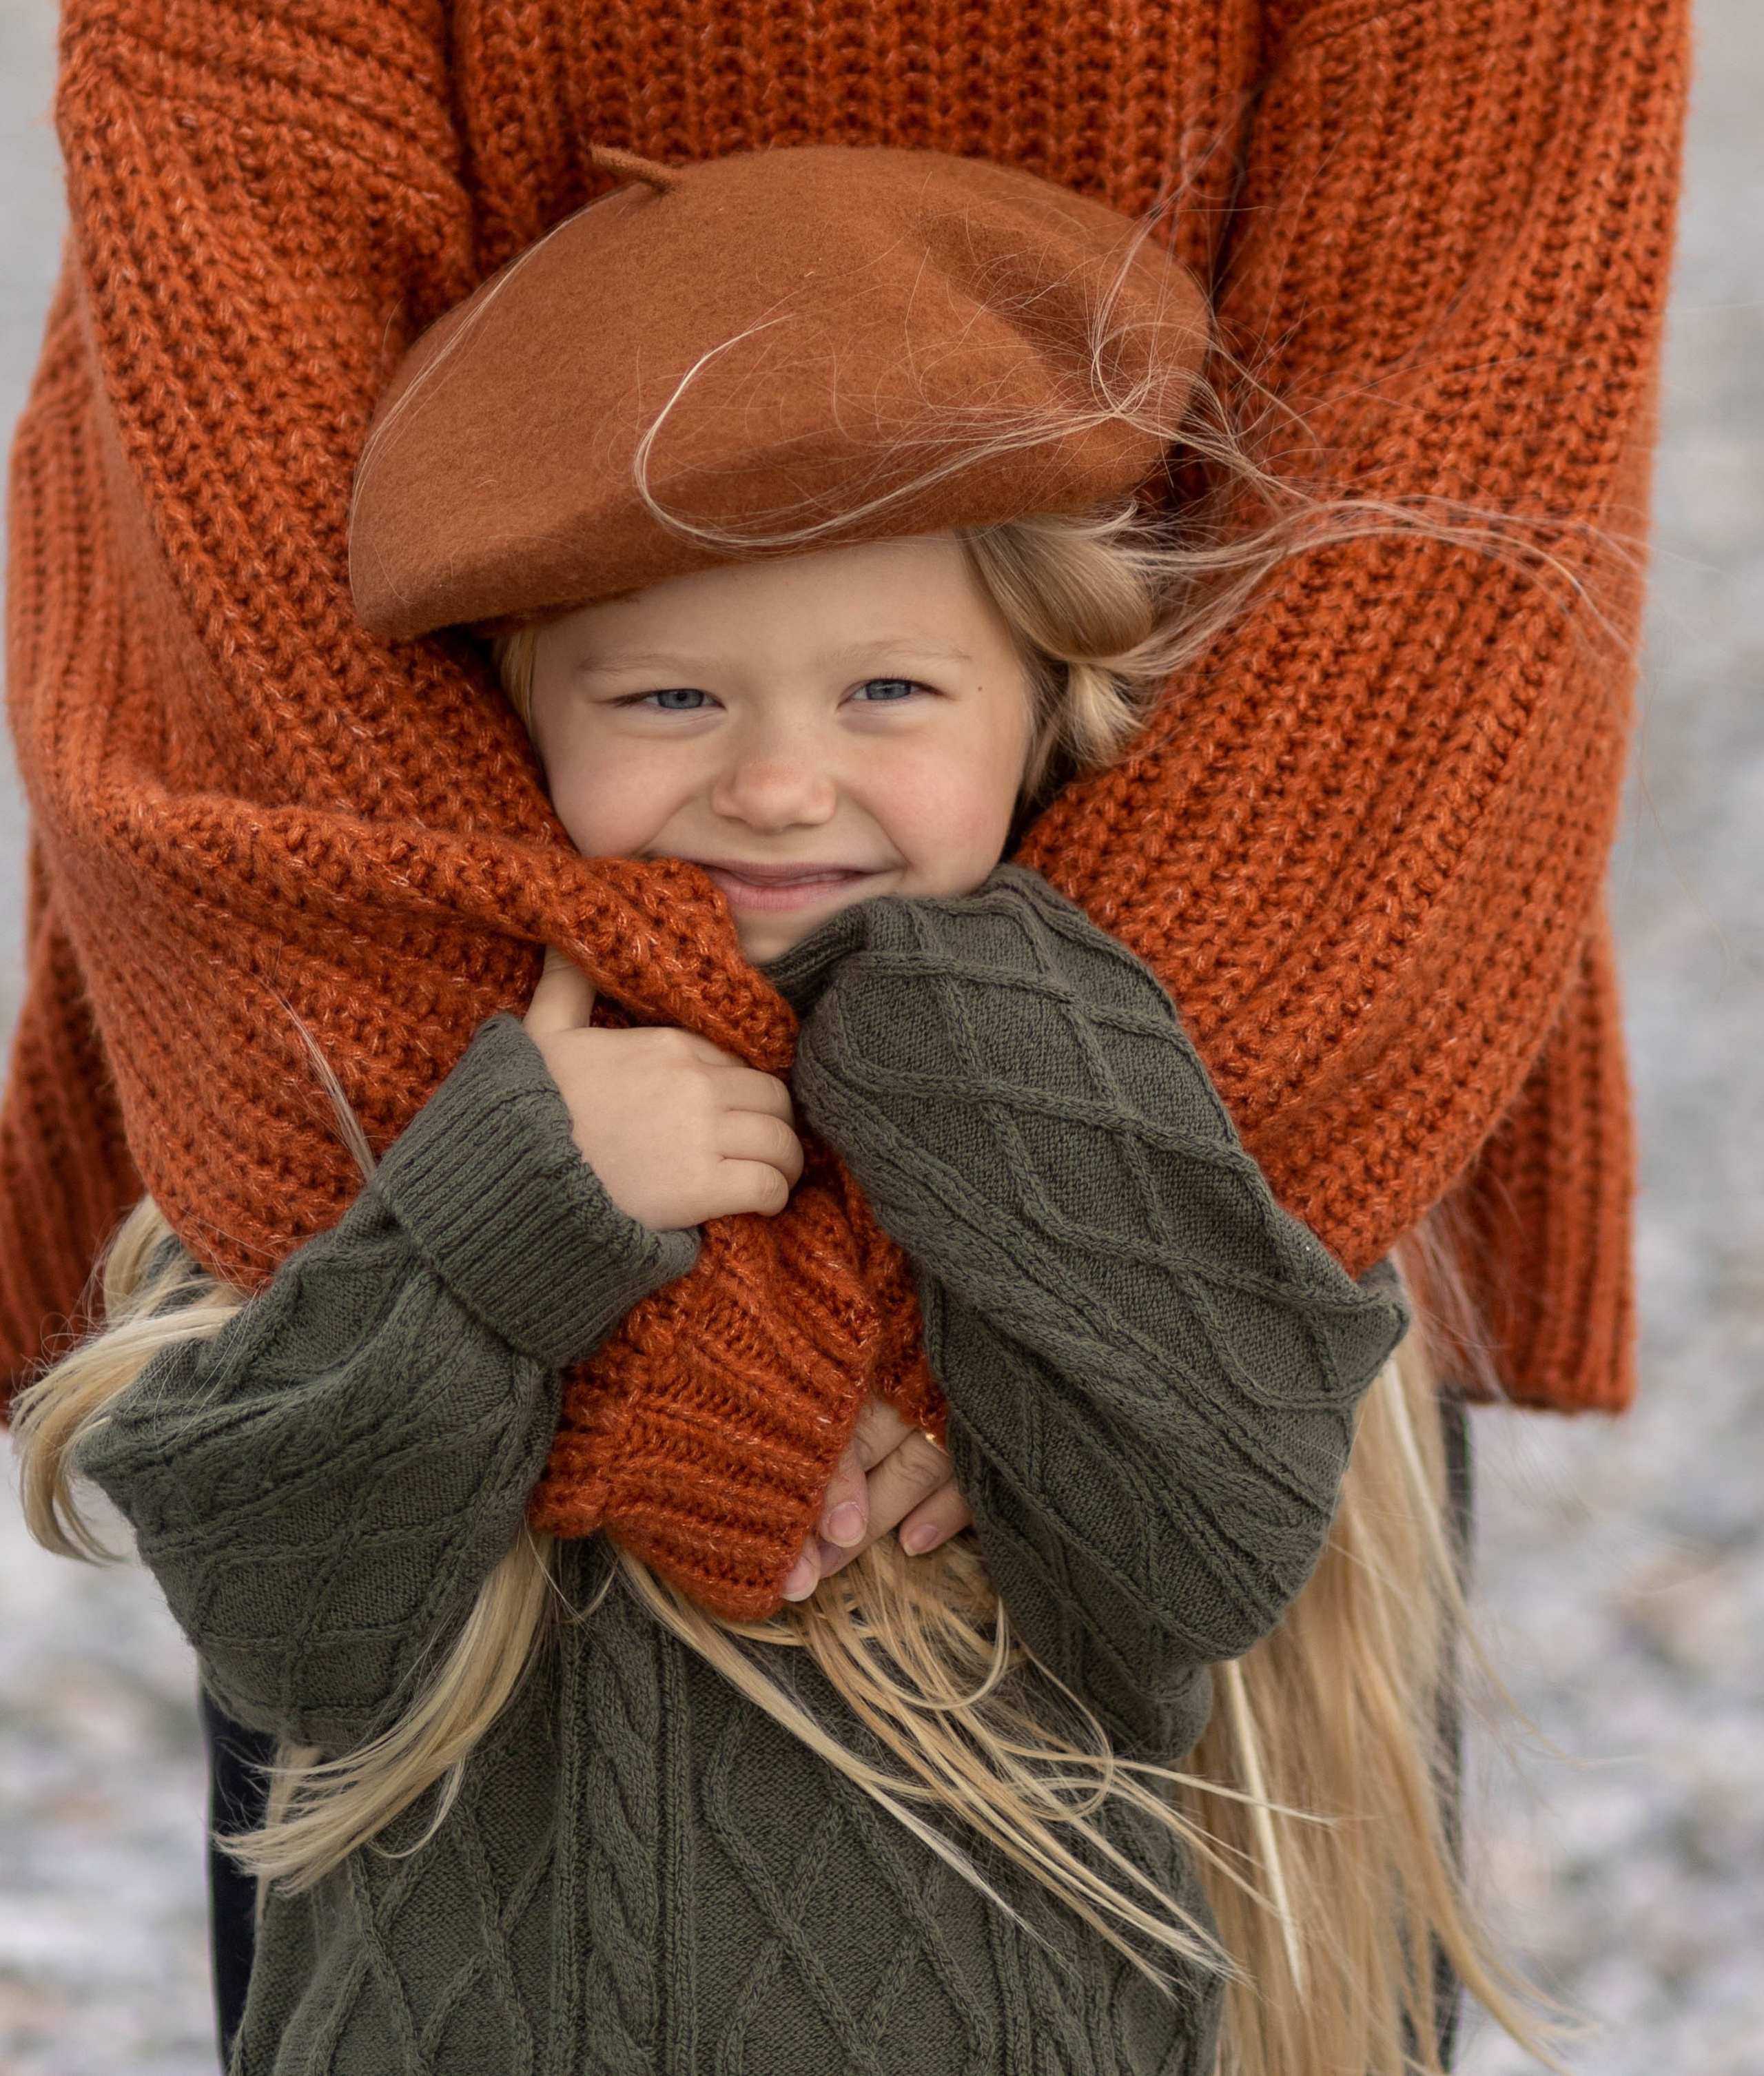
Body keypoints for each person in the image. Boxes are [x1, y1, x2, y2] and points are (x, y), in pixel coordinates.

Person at [16, 145, 1544, 2076]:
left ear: (1044, 703)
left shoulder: (1082, 1070)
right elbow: (275, 1612)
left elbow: (1203, 1552)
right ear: (520, 714)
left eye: (891, 690)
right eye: (669, 701)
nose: (779, 784)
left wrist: (952, 1017)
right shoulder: (437, 1107)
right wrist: (507, 1216)